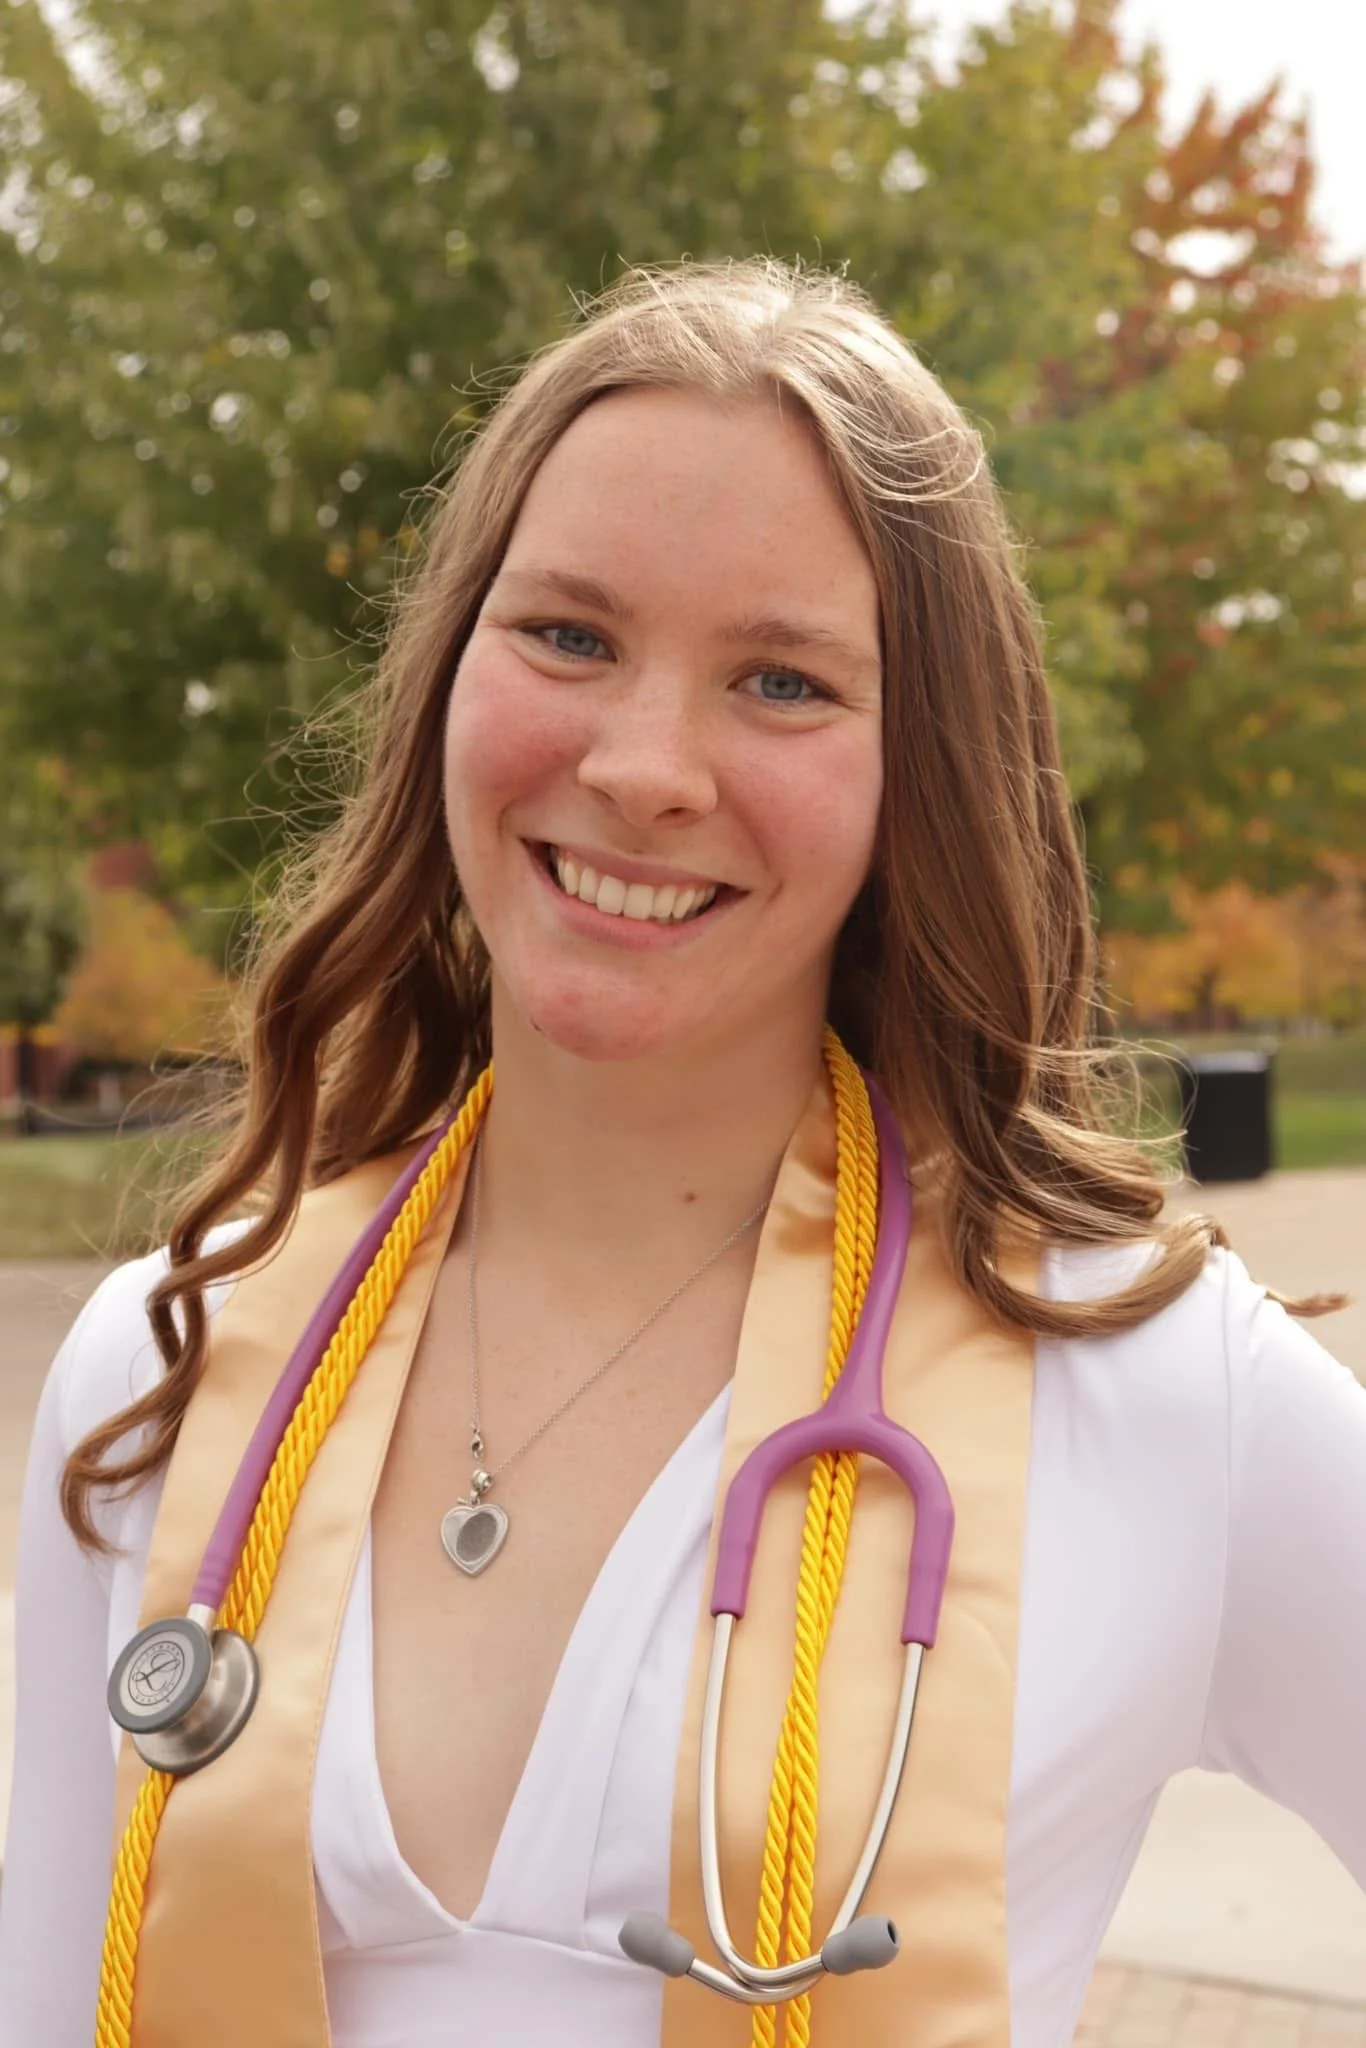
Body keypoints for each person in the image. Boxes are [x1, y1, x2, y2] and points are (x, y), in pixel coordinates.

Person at [1, 256, 1363, 2048]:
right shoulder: (168, 1366)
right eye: (567, 634)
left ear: (921, 769)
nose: (643, 764)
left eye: (783, 682)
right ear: (445, 681)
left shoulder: (1153, 1388)